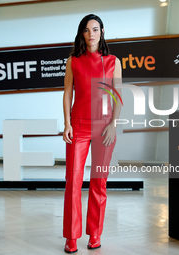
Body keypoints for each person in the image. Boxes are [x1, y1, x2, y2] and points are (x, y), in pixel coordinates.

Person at [62, 14, 122, 253]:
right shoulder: (73, 61)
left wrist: (113, 124)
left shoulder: (113, 61)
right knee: (73, 183)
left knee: (99, 182)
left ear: (102, 32)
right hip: (78, 126)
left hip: (105, 127)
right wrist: (67, 123)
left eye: (95, 29)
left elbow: (118, 95)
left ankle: (95, 234)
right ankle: (71, 237)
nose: (91, 34)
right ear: (82, 33)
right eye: (86, 30)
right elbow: (67, 93)